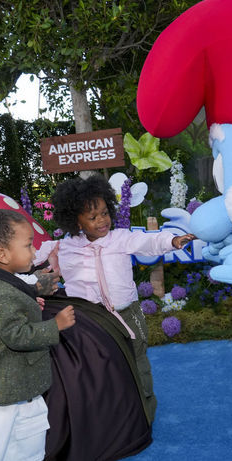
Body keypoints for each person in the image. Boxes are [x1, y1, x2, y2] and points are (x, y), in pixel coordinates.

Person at [36, 174, 195, 428]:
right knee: (99, 370)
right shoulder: (64, 247)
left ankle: (145, 415)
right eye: (92, 217)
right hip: (87, 321)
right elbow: (31, 262)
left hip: (126, 315)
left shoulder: (120, 238)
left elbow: (149, 242)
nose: (102, 221)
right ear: (74, 221)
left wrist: (172, 241)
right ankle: (108, 420)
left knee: (138, 362)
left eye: (104, 213)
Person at [0, 203, 75, 461]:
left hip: (1, 384)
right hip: (1, 390)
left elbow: (20, 286)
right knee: (8, 449)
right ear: (2, 254)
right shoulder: (0, 295)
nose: (34, 252)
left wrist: (36, 285)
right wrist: (56, 325)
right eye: (29, 245)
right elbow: (17, 336)